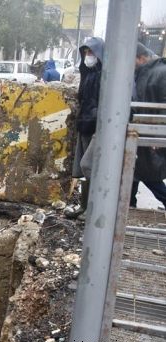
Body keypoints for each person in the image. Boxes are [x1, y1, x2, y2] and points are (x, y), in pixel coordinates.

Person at [70, 37, 104, 217]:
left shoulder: (103, 75)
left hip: (97, 127)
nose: (87, 55)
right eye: (85, 52)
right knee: (84, 168)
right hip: (84, 124)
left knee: (88, 165)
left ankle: (92, 208)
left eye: (90, 52)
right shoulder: (87, 73)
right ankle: (85, 208)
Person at [130, 42, 166, 209]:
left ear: (142, 57)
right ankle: (128, 207)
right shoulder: (146, 72)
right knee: (133, 173)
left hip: (150, 135)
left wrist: (159, 135)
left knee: (149, 176)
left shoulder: (159, 73)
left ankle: (128, 206)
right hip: (141, 133)